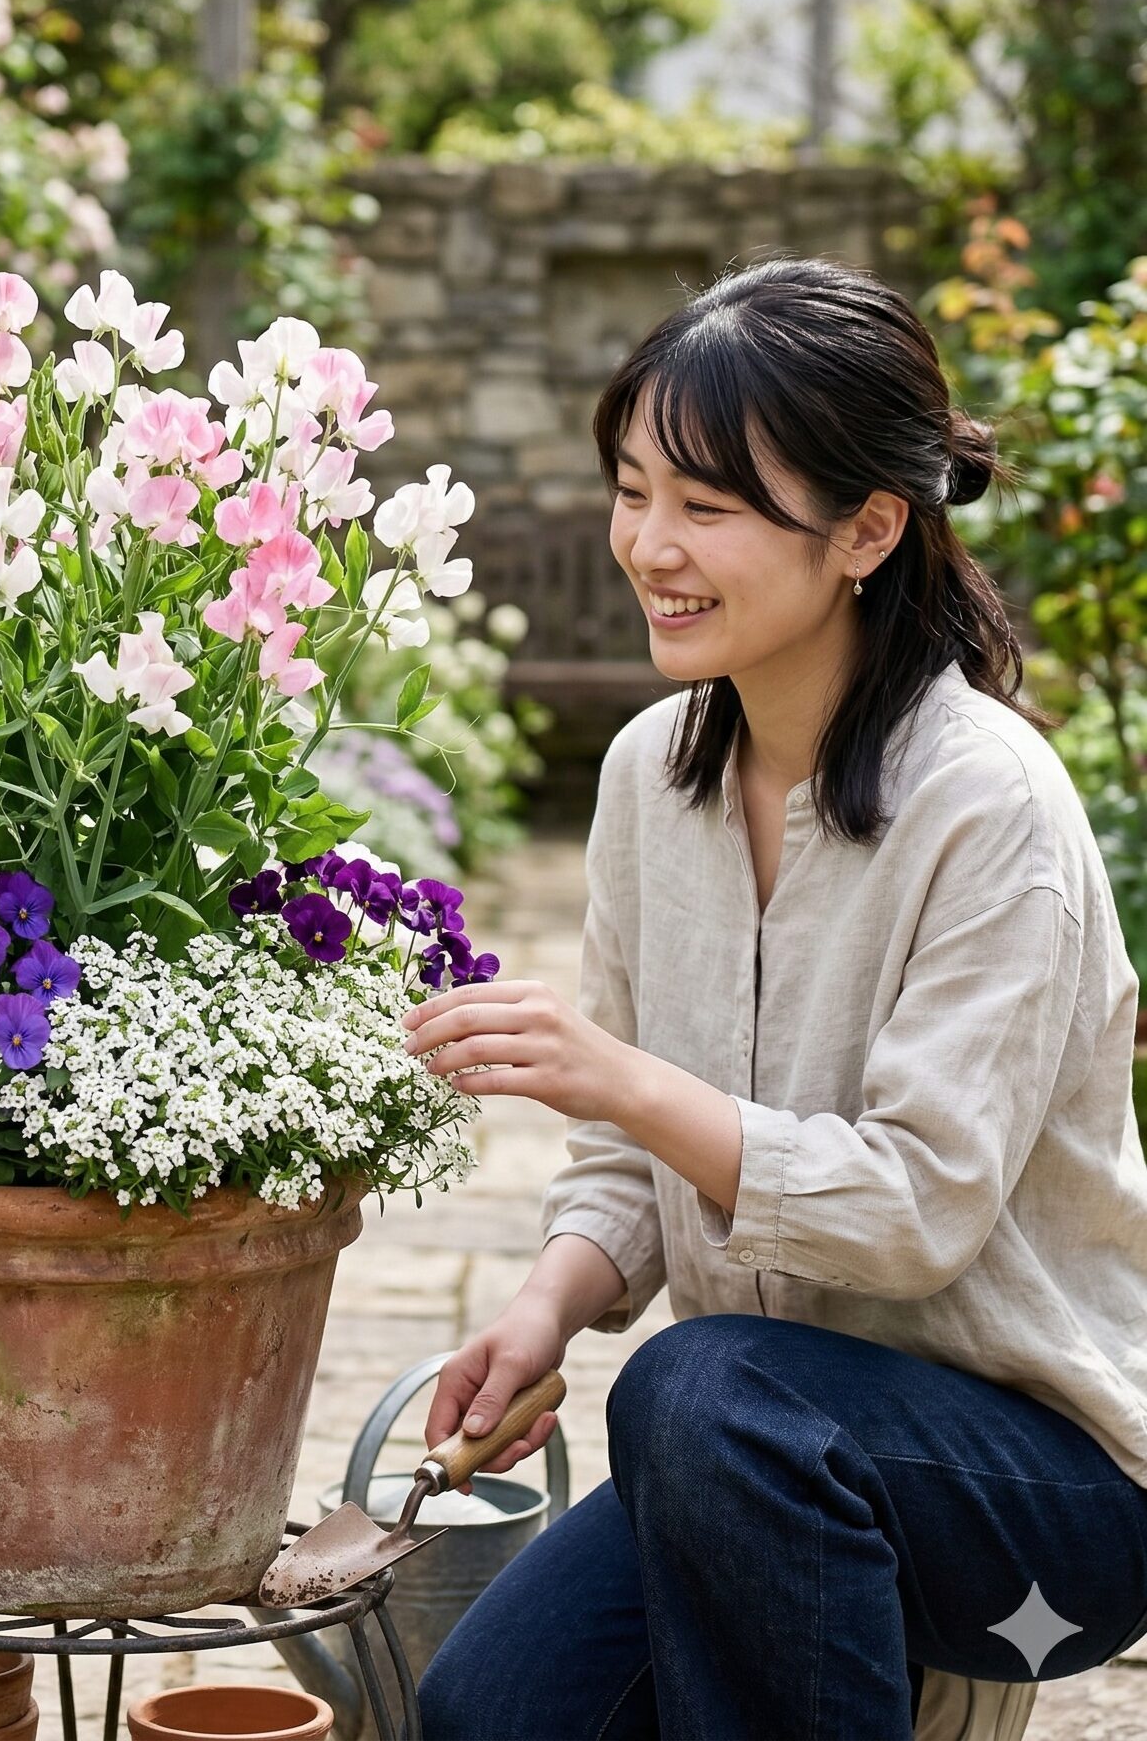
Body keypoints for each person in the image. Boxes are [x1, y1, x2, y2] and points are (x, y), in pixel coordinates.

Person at [405, 258, 1147, 1741]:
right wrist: (545, 1310)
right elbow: (629, 1171)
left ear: (869, 529)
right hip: (761, 1446)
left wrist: (612, 1074)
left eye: (709, 505)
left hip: (1046, 1488)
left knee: (694, 1387)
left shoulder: (986, 807)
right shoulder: (648, 775)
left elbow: (916, 1209)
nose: (649, 546)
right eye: (632, 491)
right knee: (490, 1709)